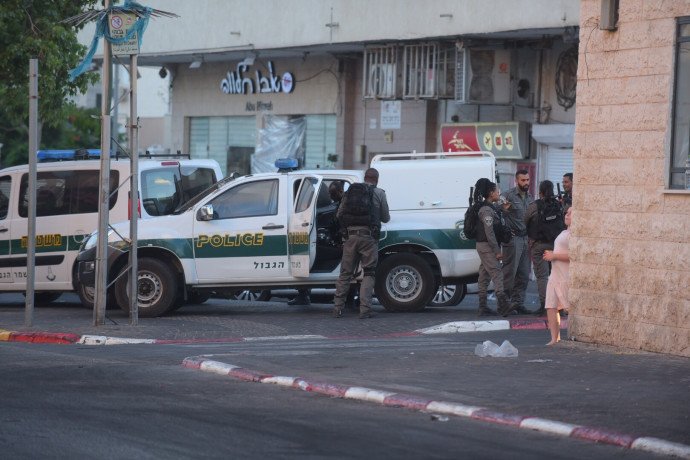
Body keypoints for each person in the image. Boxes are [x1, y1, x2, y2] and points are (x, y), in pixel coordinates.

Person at [332, 168, 390, 319]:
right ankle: (365, 310)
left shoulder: (350, 192)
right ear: (376, 179)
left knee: (345, 273)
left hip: (350, 238)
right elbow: (385, 218)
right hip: (368, 238)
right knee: (369, 272)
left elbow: (339, 214)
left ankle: (337, 308)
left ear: (365, 177)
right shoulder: (379, 193)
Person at [288, 181, 346, 307]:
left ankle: (345, 299)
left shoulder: (344, 204)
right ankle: (303, 294)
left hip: (343, 245)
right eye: (330, 194)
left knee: (310, 255)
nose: (331, 197)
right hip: (338, 241)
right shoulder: (338, 203)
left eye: (333, 194)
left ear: (341, 192)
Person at [525, 180, 564, 317]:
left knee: (542, 277)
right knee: (558, 276)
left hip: (540, 246)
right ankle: (561, 306)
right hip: (556, 247)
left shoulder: (534, 206)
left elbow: (525, 221)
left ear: (540, 191)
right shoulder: (559, 204)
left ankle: (544, 306)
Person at [473, 179, 511, 316]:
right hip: (486, 246)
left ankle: (482, 307)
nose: (498, 193)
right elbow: (489, 232)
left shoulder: (491, 208)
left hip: (485, 245)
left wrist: (504, 211)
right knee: (497, 272)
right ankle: (503, 306)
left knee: (484, 274)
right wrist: (497, 251)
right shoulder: (486, 210)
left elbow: (497, 223)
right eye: (496, 191)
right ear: (490, 193)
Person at [500, 169, 534, 315]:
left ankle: (518, 303)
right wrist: (506, 228)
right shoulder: (507, 195)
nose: (526, 183)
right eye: (523, 180)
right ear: (516, 181)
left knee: (524, 273)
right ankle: (504, 304)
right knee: (509, 273)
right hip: (513, 240)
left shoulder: (530, 197)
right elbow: (496, 214)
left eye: (527, 180)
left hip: (525, 238)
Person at [542, 207, 572, 345]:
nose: (567, 214)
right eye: (567, 212)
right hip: (555, 275)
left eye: (571, 213)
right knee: (551, 306)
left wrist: (554, 255)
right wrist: (552, 254)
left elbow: (573, 255)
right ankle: (555, 338)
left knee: (568, 307)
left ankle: (571, 335)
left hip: (564, 276)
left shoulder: (573, 235)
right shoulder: (564, 232)